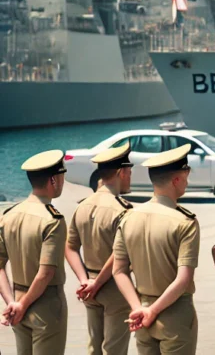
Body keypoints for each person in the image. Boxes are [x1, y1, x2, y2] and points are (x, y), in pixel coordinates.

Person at [113, 144, 200, 355]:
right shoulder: (185, 222)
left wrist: (139, 309)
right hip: (175, 315)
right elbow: (183, 280)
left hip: (141, 314)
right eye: (186, 176)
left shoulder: (129, 217)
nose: (187, 182)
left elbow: (119, 270)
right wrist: (153, 311)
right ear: (176, 180)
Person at [66, 142, 134, 355]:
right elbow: (119, 254)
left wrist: (85, 280)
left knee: (94, 347)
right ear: (121, 172)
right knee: (114, 349)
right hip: (114, 285)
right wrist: (97, 283)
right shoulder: (123, 210)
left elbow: (70, 247)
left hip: (89, 286)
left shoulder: (82, 206)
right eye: (129, 172)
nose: (130, 177)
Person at [0, 150, 69, 354]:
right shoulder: (53, 220)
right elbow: (45, 273)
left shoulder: (9, 215)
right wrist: (24, 304)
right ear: (53, 180)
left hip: (17, 299)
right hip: (46, 304)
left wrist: (13, 303)